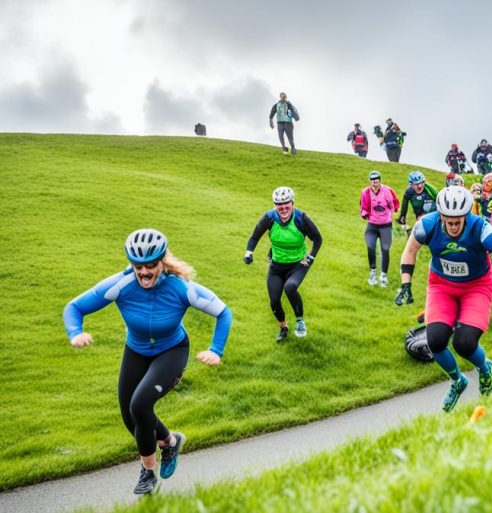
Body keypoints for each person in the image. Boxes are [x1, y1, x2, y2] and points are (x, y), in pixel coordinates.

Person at [63, 229, 232, 495]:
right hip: (136, 352)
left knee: (140, 404)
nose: (143, 272)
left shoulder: (181, 288)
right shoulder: (121, 284)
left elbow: (224, 313)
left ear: (162, 261)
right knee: (131, 418)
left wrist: (216, 350)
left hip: (172, 351)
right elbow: (74, 307)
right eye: (137, 266)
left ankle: (147, 473)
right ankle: (169, 440)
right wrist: (75, 333)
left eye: (150, 265)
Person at [394, 186, 492, 412]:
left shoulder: (479, 228)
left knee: (464, 343)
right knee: (435, 341)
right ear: (441, 216)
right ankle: (458, 381)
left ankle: (484, 369)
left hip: (477, 286)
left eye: (458, 221)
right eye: (448, 221)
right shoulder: (427, 225)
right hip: (441, 286)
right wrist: (406, 283)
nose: (453, 226)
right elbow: (410, 250)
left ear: (466, 216)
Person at [244, 187, 324, 342]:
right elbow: (255, 236)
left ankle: (300, 321)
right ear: (275, 205)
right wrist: (249, 253)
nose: (283, 207)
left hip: (298, 265)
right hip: (276, 266)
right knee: (274, 300)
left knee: (290, 287)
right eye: (279, 204)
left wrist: (311, 257)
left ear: (292, 203)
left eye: (287, 203)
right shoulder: (269, 217)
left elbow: (317, 239)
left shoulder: (301, 218)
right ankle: (283, 327)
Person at [360, 171, 400, 287]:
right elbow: (363, 207)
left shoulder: (388, 190)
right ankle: (372, 273)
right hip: (372, 225)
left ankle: (383, 276)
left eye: (377, 181)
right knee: (370, 247)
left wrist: (389, 213)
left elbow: (396, 203)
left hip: (386, 225)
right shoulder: (365, 192)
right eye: (373, 181)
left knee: (385, 249)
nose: (375, 183)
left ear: (380, 181)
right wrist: (364, 213)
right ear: (370, 181)